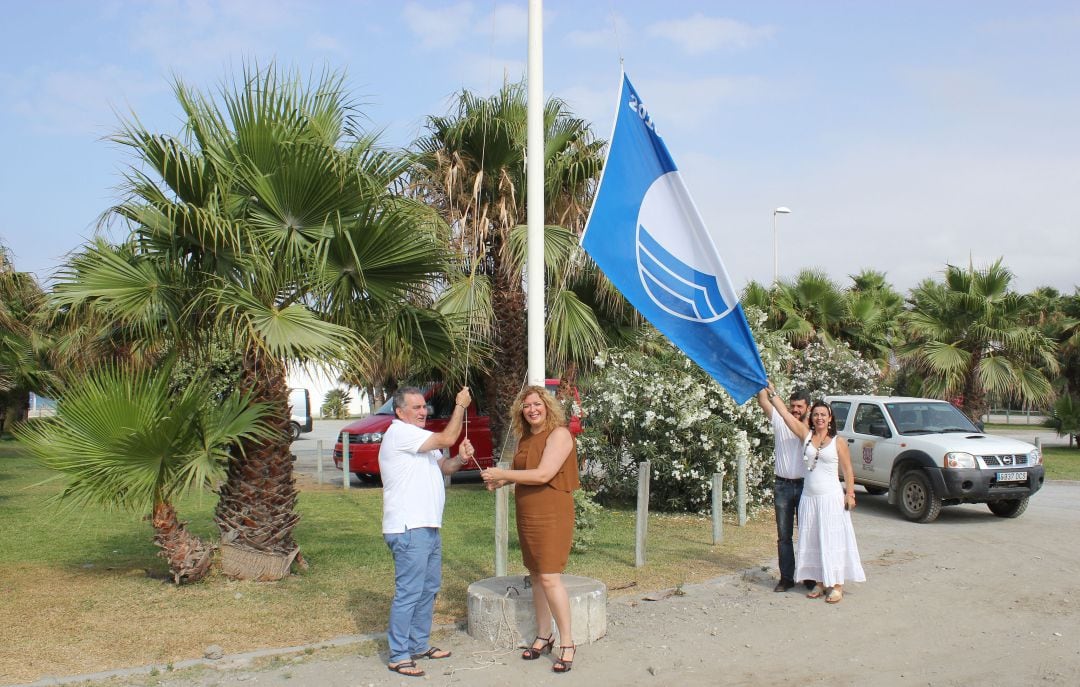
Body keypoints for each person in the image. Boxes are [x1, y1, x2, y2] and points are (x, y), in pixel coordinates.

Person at [481, 386, 580, 674]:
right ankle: (543, 635)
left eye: (537, 404)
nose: (532, 409)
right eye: (527, 406)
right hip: (528, 513)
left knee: (550, 577)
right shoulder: (525, 437)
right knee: (536, 575)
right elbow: (521, 474)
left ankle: (568, 642)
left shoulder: (559, 434)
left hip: (552, 513)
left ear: (547, 406)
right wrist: (498, 481)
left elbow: (544, 474)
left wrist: (504, 474)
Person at [380, 385, 476, 678]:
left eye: (424, 407)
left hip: (429, 526)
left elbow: (445, 466)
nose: (424, 412)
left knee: (428, 590)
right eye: (417, 408)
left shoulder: (420, 438)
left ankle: (418, 645)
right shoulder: (399, 433)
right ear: (400, 412)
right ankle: (398, 655)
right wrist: (461, 405)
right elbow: (447, 436)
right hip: (409, 528)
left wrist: (460, 458)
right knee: (409, 592)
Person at [767, 385, 866, 604]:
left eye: (823, 415)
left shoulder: (838, 442)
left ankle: (837, 585)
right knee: (813, 540)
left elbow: (848, 470)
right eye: (816, 415)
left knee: (833, 539)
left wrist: (850, 494)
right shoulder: (806, 435)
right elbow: (785, 415)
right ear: (811, 417)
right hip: (809, 498)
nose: (819, 418)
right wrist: (772, 392)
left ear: (830, 418)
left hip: (831, 498)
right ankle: (820, 583)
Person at [756, 386, 811, 592]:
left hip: (805, 486)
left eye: (800, 406)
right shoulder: (779, 420)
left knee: (807, 533)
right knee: (784, 535)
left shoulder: (811, 427)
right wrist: (761, 382)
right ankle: (786, 577)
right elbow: (763, 402)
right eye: (793, 406)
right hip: (783, 485)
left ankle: (809, 576)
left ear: (808, 407)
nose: (796, 409)